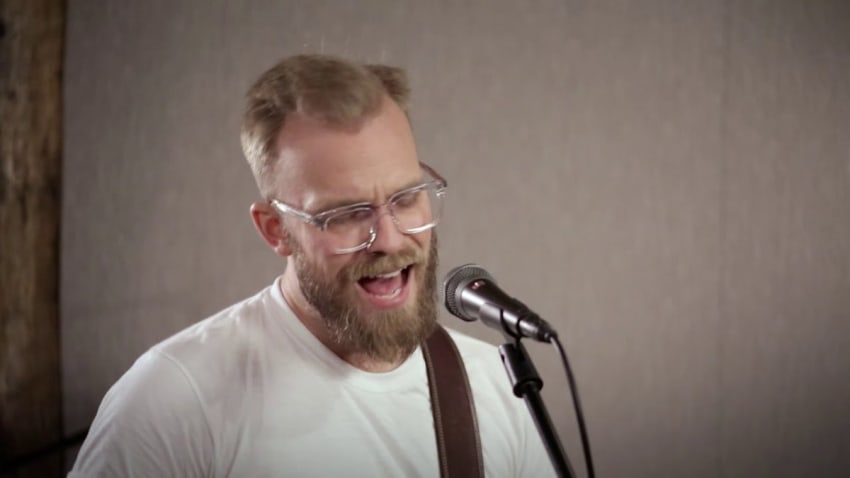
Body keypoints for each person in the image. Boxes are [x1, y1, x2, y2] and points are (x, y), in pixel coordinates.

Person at [70, 54, 556, 477]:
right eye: (346, 214)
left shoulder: (497, 386)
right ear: (275, 230)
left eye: (406, 198)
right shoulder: (173, 401)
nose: (389, 239)